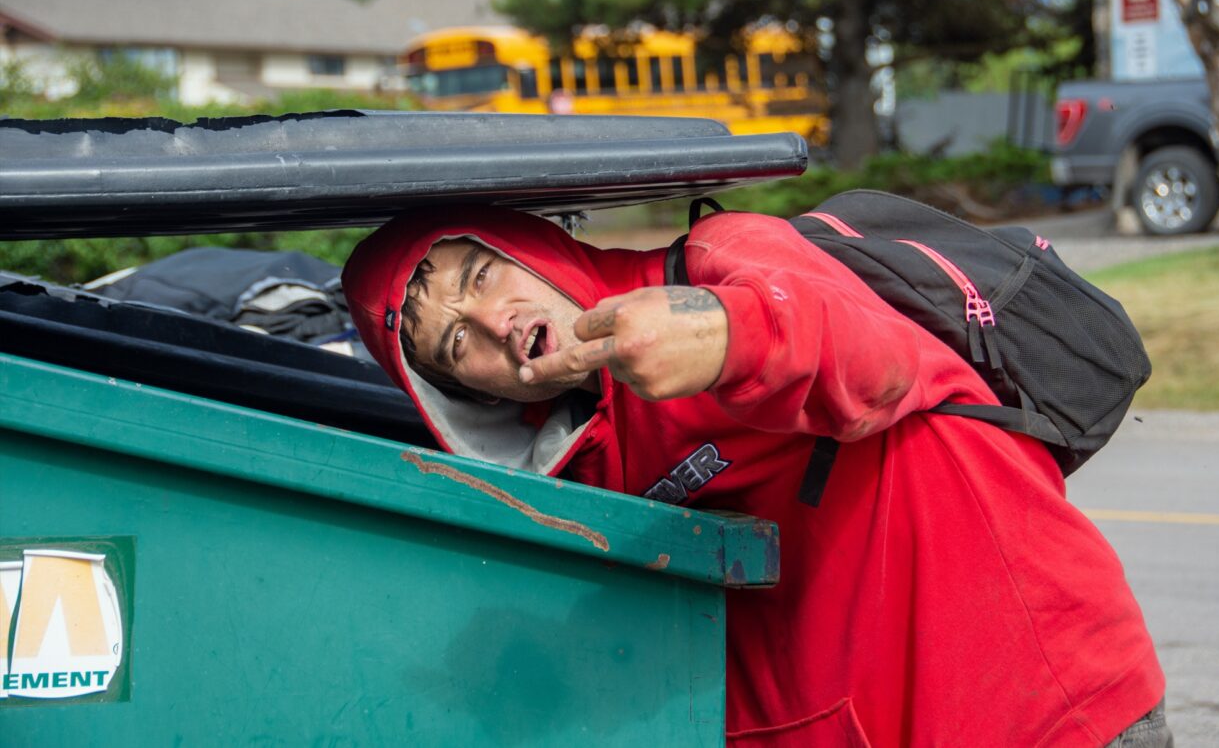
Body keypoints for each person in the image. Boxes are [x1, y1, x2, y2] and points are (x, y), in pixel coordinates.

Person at [341, 204, 1170, 746]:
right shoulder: (561, 487)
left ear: (525, 246)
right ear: (458, 394)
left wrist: (727, 332)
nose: (492, 321)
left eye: (481, 276)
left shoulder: (715, 260)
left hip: (1046, 700)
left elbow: (868, 356)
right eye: (457, 346)